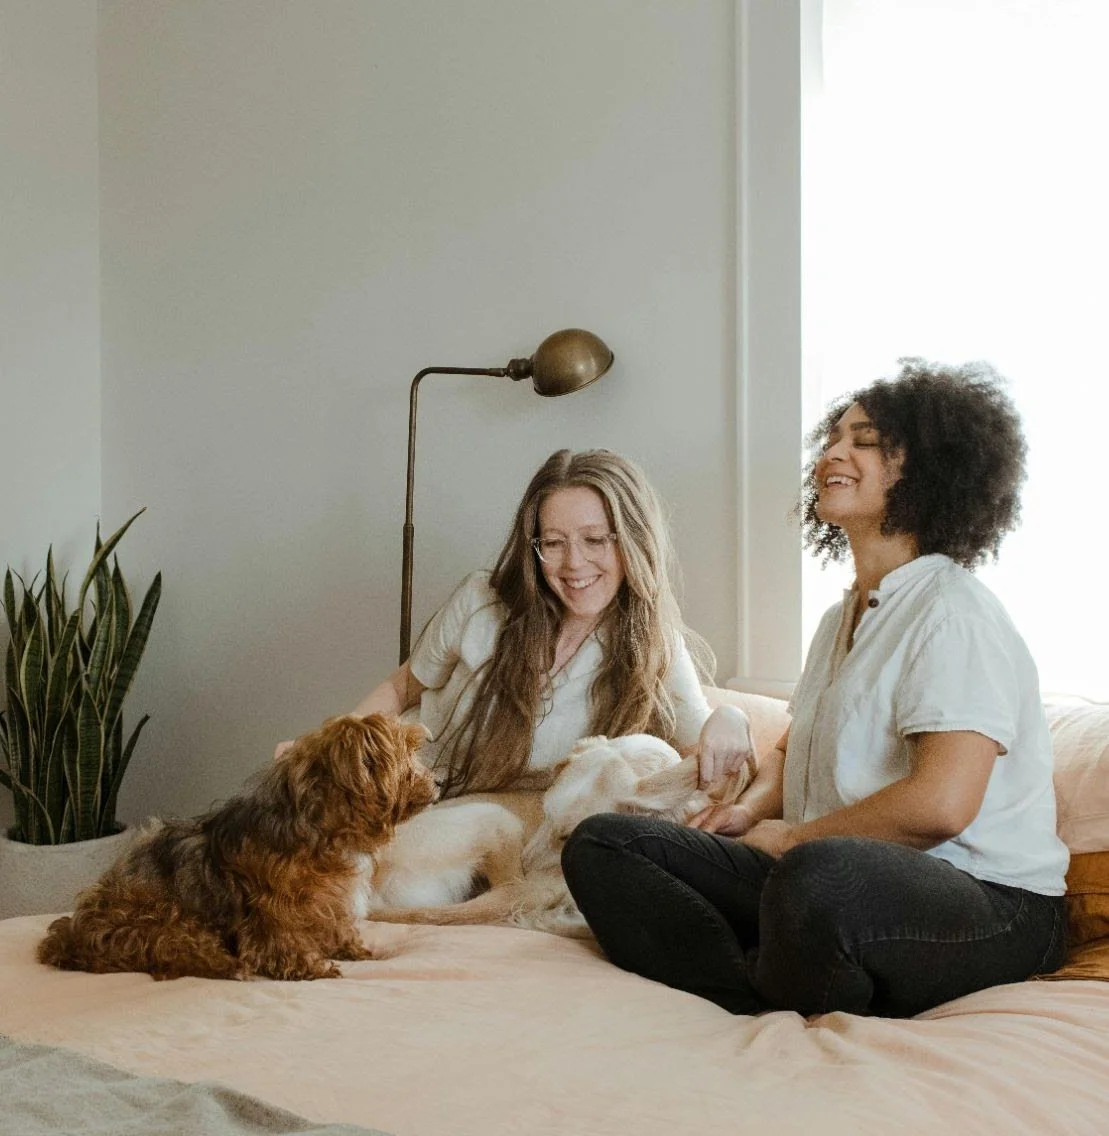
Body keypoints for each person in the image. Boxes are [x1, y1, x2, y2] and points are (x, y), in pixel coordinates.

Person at [561, 359, 1070, 1019]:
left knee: (815, 879)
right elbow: (792, 746)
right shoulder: (842, 617)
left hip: (990, 906)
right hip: (824, 875)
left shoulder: (952, 611)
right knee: (604, 843)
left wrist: (793, 839)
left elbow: (942, 804)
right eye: (833, 438)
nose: (831, 451)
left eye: (862, 441)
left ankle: (783, 968)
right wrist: (746, 814)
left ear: (928, 469)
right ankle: (756, 989)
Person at [283, 448, 753, 798]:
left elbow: (701, 752)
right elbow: (402, 688)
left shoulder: (653, 644)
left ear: (632, 541)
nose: (574, 563)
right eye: (553, 542)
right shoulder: (481, 600)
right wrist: (324, 750)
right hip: (406, 795)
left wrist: (732, 717)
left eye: (594, 540)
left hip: (503, 829)